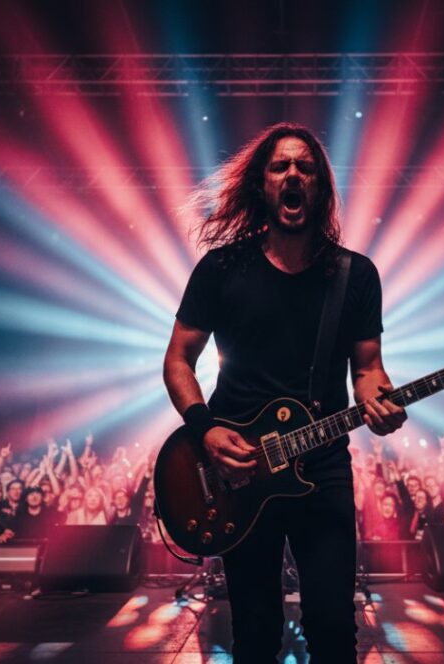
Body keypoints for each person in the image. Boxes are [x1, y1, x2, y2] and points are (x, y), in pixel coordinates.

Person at [163, 122, 406, 663]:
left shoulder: (355, 275)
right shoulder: (222, 269)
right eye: (280, 166)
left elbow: (368, 371)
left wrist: (380, 400)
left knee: (332, 626)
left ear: (318, 186)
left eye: (305, 166)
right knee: (254, 629)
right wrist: (206, 430)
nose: (293, 174)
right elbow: (178, 360)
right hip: (239, 470)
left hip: (321, 468)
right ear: (262, 184)